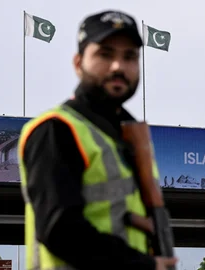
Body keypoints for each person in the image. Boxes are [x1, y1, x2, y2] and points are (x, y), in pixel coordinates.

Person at [18, 10, 178, 270]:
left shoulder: (126, 138)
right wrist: (144, 264)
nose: (118, 66)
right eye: (105, 54)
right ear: (78, 63)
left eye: (129, 57)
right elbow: (61, 231)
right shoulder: (56, 129)